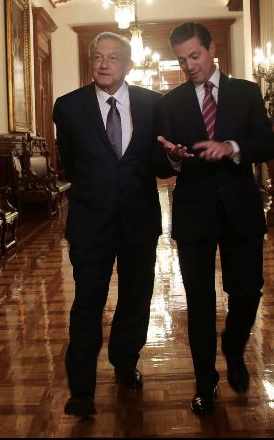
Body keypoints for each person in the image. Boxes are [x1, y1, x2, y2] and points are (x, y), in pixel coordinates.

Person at [154, 22, 274, 415]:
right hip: (194, 213)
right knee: (200, 303)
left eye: (195, 55)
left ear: (211, 51)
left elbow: (268, 144)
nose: (189, 65)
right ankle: (205, 383)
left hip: (240, 209)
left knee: (247, 292)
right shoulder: (170, 103)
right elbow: (161, 157)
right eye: (181, 59)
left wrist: (232, 147)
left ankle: (235, 345)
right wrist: (172, 156)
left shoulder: (246, 92)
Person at [53, 32, 163, 417]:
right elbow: (71, 161)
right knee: (86, 305)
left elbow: (159, 163)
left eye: (113, 57)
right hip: (90, 223)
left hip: (139, 220)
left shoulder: (153, 104)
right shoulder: (67, 108)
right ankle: (81, 390)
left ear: (128, 64)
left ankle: (124, 360)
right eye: (98, 57)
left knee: (135, 300)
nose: (104, 64)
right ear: (91, 61)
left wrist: (178, 161)